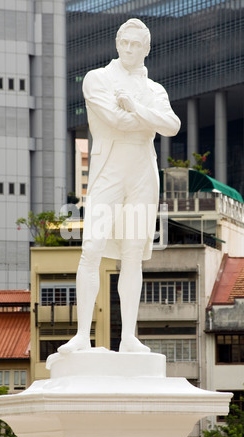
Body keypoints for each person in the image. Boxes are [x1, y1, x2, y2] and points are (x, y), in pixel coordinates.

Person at [58, 18, 180, 354]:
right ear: (116, 43)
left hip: (143, 172)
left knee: (132, 256)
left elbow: (172, 125)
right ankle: (83, 334)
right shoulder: (98, 79)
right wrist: (145, 119)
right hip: (108, 169)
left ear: (146, 48)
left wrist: (137, 107)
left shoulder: (155, 90)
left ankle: (128, 337)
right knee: (91, 249)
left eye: (135, 45)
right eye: (124, 43)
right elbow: (115, 121)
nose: (128, 49)